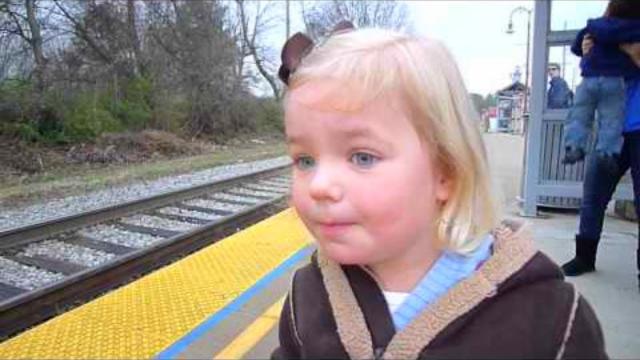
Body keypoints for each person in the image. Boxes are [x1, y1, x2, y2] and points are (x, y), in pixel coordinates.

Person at [272, 24, 607, 359]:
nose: (319, 186)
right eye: (304, 160)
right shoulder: (308, 297)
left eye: (362, 157)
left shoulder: (550, 321)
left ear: (446, 171)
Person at [561, 31, 640, 287]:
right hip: (612, 130)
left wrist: (633, 53)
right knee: (593, 195)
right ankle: (584, 257)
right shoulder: (615, 27)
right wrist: (588, 52)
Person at [561, 0, 640, 170]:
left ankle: (574, 146)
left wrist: (584, 50)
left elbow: (576, 47)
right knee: (612, 118)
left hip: (590, 80)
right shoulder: (633, 29)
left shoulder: (595, 26)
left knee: (580, 115)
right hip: (615, 87)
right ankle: (607, 152)